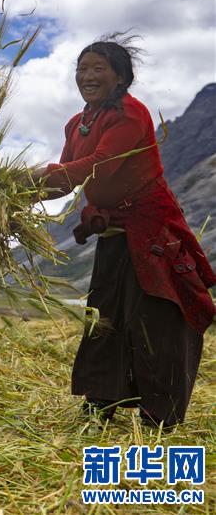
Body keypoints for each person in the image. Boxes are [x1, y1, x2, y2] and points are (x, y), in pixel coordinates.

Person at [34, 37, 215, 428]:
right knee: (105, 315)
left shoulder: (131, 114)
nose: (87, 76)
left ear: (120, 77)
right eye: (82, 69)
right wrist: (4, 193)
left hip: (150, 230)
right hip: (114, 232)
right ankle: (100, 404)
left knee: (155, 316)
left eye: (98, 68)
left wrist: (33, 176)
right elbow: (66, 182)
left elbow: (100, 165)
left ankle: (159, 416)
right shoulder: (76, 123)